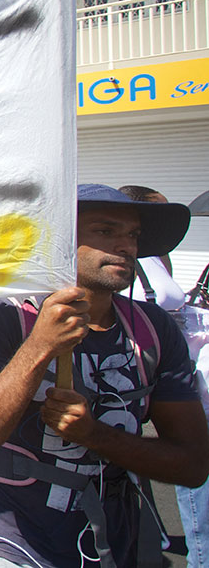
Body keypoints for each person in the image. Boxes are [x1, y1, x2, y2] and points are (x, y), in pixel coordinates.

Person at [0, 184, 209, 568]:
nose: (125, 246)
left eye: (133, 235)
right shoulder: (7, 318)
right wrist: (40, 347)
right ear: (60, 242)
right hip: (20, 544)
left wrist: (94, 435)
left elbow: (193, 464)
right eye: (105, 231)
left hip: (122, 542)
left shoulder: (153, 328)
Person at [121, 185, 209, 567]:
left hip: (177, 368)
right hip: (142, 370)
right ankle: (198, 552)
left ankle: (148, 532)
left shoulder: (157, 257)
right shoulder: (125, 262)